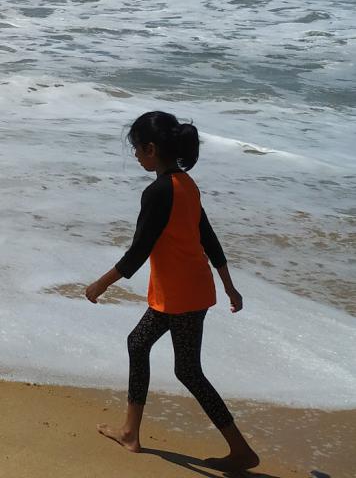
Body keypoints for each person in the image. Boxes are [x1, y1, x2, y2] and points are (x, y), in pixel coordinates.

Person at [86, 111, 259, 471]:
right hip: (194, 290)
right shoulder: (186, 184)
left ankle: (137, 435)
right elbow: (209, 239)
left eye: (136, 149)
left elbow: (139, 251)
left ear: (152, 149)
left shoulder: (158, 191)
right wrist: (229, 287)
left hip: (179, 297)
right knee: (161, 356)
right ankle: (133, 433)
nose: (134, 155)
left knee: (175, 364)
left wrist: (100, 284)